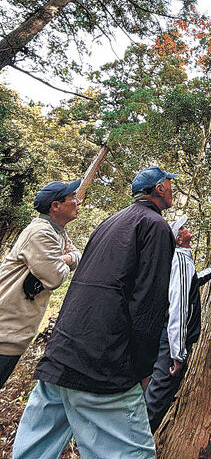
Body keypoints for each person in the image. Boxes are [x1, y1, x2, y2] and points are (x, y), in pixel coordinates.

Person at [13, 166, 177, 459]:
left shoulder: (109, 222)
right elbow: (148, 305)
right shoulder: (154, 226)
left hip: (61, 356)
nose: (173, 189)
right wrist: (142, 368)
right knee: (132, 453)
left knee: (33, 451)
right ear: (159, 189)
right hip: (102, 367)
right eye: (169, 183)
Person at [145, 215, 211, 433]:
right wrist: (177, 354)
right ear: (179, 239)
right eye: (183, 228)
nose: (188, 228)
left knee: (158, 393)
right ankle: (134, 448)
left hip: (170, 340)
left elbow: (190, 283)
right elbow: (179, 309)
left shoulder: (182, 259)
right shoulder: (179, 260)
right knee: (157, 397)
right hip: (171, 342)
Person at [0, 179, 82, 389]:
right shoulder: (41, 232)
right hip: (4, 331)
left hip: (15, 334)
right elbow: (55, 277)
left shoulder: (58, 232)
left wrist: (66, 258)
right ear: (55, 206)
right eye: (72, 197)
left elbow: (77, 255)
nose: (78, 201)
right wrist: (65, 260)